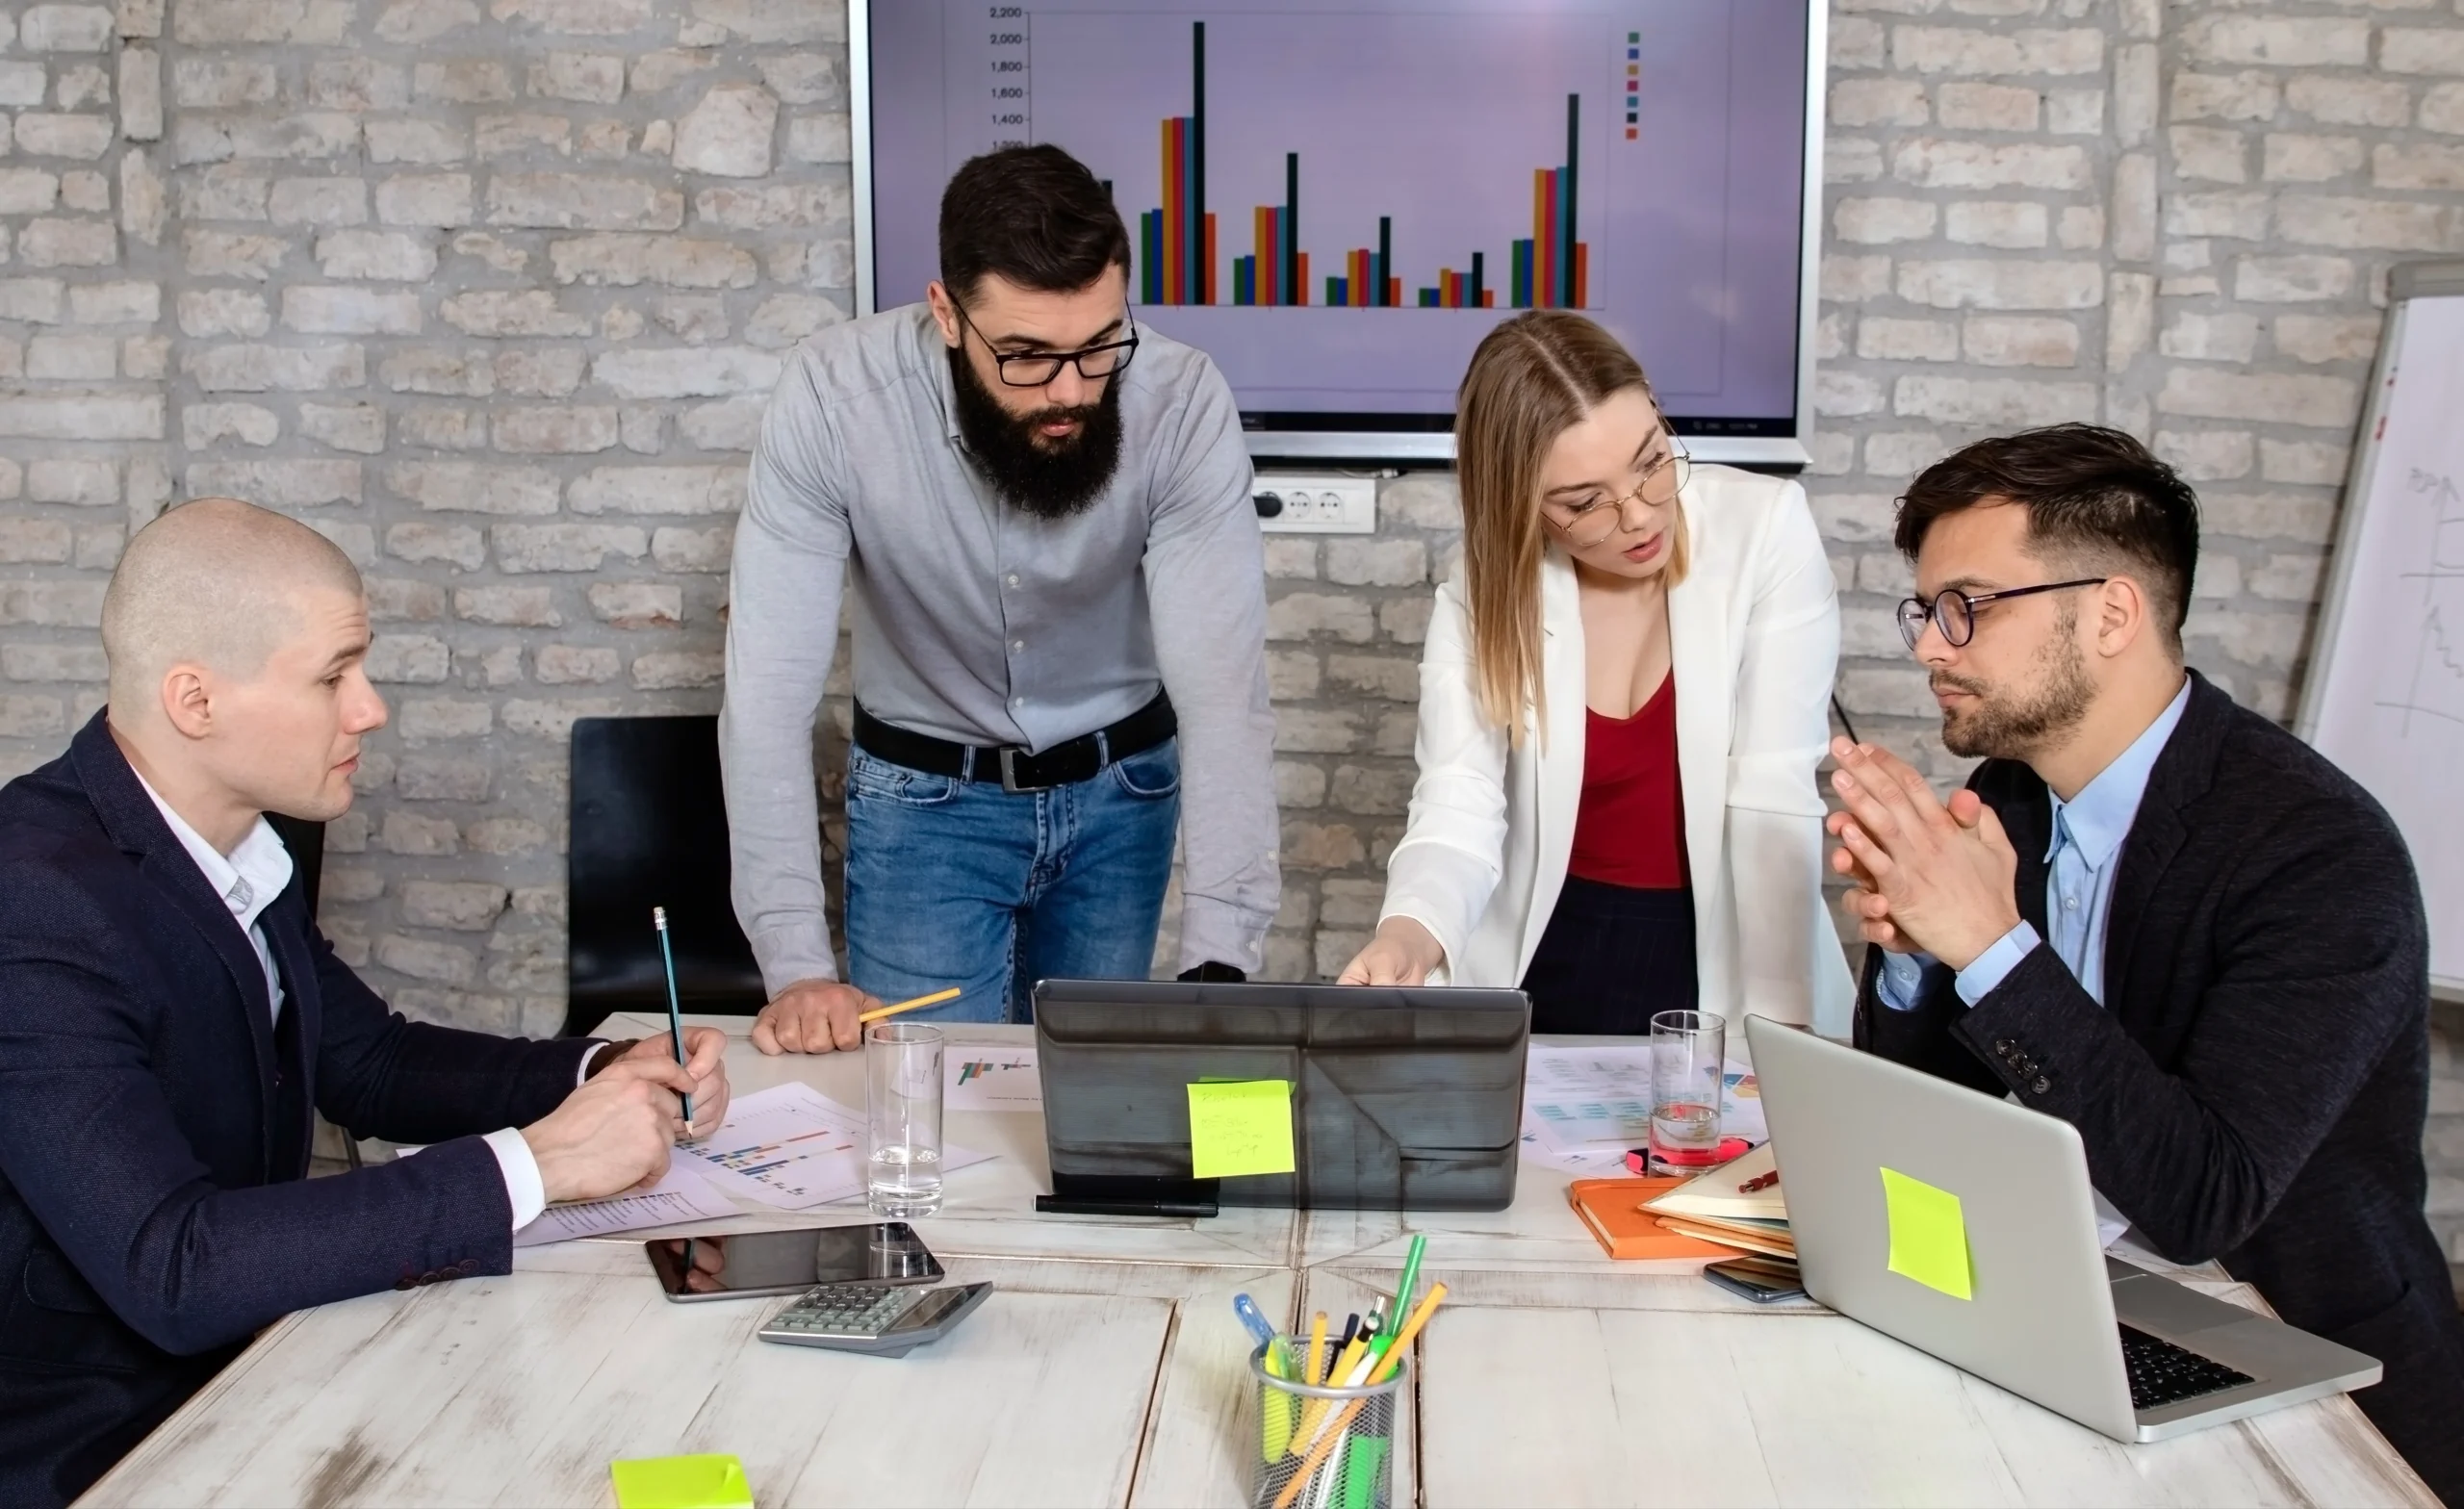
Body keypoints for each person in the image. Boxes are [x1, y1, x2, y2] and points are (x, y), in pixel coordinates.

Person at [0, 499, 732, 1509]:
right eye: (333, 675)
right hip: (98, 1448)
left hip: (253, 1362)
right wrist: (544, 1160)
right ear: (194, 699)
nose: (371, 707)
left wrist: (596, 1070)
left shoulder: (234, 848)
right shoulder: (34, 899)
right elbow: (176, 1265)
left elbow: (368, 1059)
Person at [1827, 424, 2464, 1501]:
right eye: (1925, 611)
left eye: (1968, 606)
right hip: (2068, 1304)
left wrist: (1986, 941)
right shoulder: (2015, 798)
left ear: (2111, 611)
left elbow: (2199, 1198)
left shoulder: (2318, 853)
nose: (1931, 647)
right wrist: (1910, 951)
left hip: (2303, 1370)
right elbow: (1945, 1114)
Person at [722, 143, 1278, 1055]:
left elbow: (1223, 693)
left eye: (1099, 348)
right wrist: (797, 966)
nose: (1069, 391)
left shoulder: (1182, 401)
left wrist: (1220, 964)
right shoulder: (833, 396)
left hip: (1123, 792)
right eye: (1025, 355)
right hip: (922, 806)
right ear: (946, 313)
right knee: (925, 1113)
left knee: (1088, 1106)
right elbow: (767, 699)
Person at [1339, 312, 1853, 1035]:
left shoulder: (1766, 528)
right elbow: (1459, 799)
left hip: (1722, 953)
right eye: (1585, 504)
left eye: (1651, 462)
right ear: (1523, 507)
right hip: (1545, 946)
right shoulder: (1485, 584)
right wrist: (1408, 933)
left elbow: (1775, 793)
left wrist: (1781, 1028)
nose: (1640, 517)